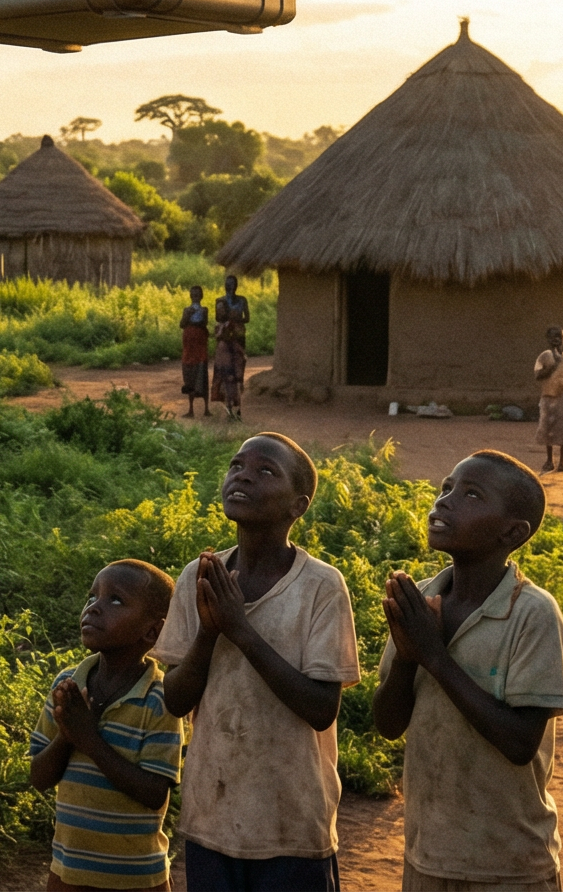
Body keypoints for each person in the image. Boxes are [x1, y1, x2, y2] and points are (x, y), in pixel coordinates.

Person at [153, 434, 359, 892]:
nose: (243, 475)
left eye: (266, 471)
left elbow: (321, 708)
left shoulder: (321, 587)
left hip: (293, 821)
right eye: (236, 465)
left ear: (298, 505)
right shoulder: (199, 576)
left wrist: (240, 630)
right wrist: (209, 631)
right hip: (213, 815)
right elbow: (174, 698)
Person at [373, 452, 563, 892]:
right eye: (445, 488)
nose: (444, 502)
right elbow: (388, 725)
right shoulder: (422, 600)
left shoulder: (532, 613)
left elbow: (520, 743)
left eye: (471, 495)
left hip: (510, 863)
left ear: (513, 532)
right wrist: (408, 657)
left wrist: (435, 657)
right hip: (427, 855)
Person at [30, 560, 182, 892]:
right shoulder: (68, 685)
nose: (94, 608)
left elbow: (154, 793)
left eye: (115, 600)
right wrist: (68, 736)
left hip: (137, 878)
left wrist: (88, 738)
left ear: (152, 632)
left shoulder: (159, 698)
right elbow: (38, 777)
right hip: (68, 872)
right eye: (92, 597)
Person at [533, 328, 563, 474]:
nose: (557, 340)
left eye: (560, 337)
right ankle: (549, 460)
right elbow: (537, 375)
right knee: (548, 428)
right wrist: (553, 365)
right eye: (553, 337)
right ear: (548, 339)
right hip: (548, 397)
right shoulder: (543, 357)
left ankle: (562, 461)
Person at [211, 276, 252, 422]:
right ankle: (229, 407)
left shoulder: (242, 300)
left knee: (238, 374)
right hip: (224, 340)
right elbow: (218, 318)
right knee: (226, 373)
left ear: (236, 285)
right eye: (228, 284)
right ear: (224, 285)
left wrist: (235, 319)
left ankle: (238, 408)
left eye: (232, 284)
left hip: (239, 339)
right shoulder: (220, 301)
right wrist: (227, 319)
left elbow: (247, 318)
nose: (230, 286)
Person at [180, 287, 212, 419]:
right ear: (190, 296)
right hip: (189, 348)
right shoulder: (186, 310)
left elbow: (204, 323)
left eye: (197, 294)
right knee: (189, 378)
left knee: (202, 377)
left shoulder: (204, 310)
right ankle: (191, 409)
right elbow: (182, 324)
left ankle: (206, 409)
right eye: (193, 294)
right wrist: (188, 315)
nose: (195, 297)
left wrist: (196, 317)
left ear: (201, 296)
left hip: (199, 349)